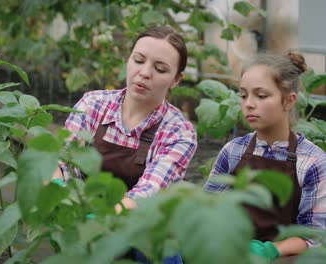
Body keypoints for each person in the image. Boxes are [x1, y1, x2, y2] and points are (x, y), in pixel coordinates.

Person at [52, 25, 197, 263]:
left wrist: (98, 220)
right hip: (83, 216)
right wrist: (59, 189)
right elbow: (62, 160)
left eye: (160, 69)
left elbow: (147, 193)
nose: (145, 72)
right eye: (138, 60)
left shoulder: (179, 132)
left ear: (176, 80)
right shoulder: (93, 104)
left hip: (143, 229)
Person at [204, 52, 326, 262]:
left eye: (261, 96)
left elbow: (315, 238)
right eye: (243, 95)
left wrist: (270, 250)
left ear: (288, 101)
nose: (249, 104)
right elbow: (207, 209)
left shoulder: (312, 162)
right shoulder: (233, 151)